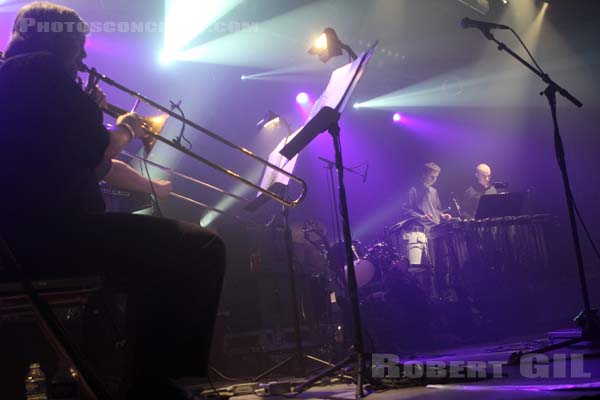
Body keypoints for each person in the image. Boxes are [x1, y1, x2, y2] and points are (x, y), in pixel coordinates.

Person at [0, 3, 225, 399]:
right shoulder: (42, 69)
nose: (84, 57)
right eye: (80, 46)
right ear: (61, 41)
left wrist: (85, 107)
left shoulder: (12, 76)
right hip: (50, 240)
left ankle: (114, 377)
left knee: (144, 258)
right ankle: (154, 386)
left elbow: (66, 163)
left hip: (17, 242)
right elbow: (92, 150)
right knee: (202, 247)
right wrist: (122, 131)